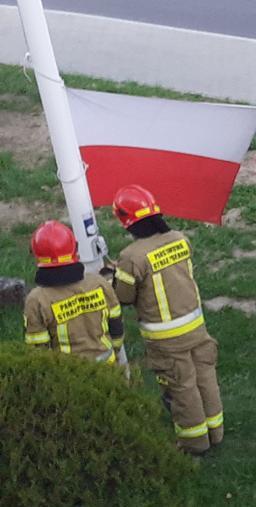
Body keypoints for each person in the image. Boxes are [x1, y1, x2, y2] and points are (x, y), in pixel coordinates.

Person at [109, 185, 224, 455]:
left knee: (181, 386)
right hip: (196, 327)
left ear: (126, 221)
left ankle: (194, 443)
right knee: (205, 377)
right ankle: (215, 432)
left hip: (165, 338)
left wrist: (114, 276)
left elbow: (124, 297)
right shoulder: (179, 238)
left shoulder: (131, 257)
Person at [22, 220, 122, 364]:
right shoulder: (98, 283)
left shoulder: (37, 299)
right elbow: (116, 325)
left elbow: (37, 349)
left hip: (69, 376)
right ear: (74, 249)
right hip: (108, 366)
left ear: (37, 256)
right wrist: (116, 352)